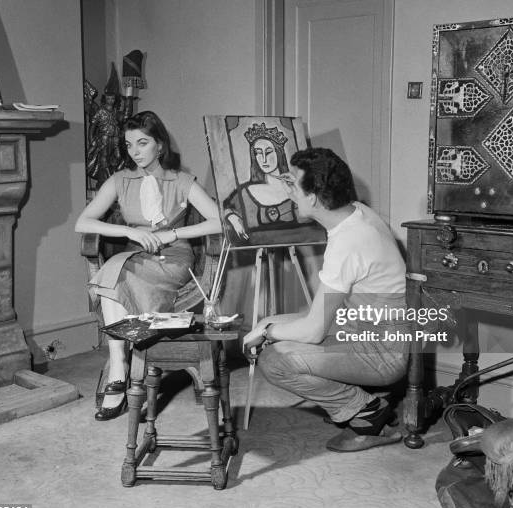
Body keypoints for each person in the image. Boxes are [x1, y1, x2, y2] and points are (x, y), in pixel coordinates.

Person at [243, 147, 409, 452]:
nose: (286, 190)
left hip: (382, 351)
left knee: (273, 360)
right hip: (362, 327)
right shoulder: (355, 212)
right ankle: (363, 398)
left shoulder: (348, 240)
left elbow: (313, 331)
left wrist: (266, 333)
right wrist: (268, 325)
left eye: (292, 184)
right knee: (272, 321)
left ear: (315, 198)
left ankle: (365, 409)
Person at [76, 110, 221, 421]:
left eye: (142, 143)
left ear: (160, 144)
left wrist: (173, 232)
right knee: (117, 272)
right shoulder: (120, 180)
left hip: (174, 259)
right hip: (135, 257)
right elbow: (82, 221)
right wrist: (130, 231)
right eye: (129, 145)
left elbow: (219, 221)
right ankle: (121, 366)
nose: (135, 152)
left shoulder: (181, 180)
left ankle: (122, 369)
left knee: (114, 275)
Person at [223, 122, 297, 243]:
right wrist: (232, 218)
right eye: (258, 153)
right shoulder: (245, 193)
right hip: (256, 256)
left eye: (268, 152)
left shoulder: (297, 189)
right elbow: (226, 207)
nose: (263, 159)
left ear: (279, 153)